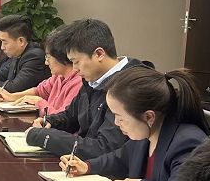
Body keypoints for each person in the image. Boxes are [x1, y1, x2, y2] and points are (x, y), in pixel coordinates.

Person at [59, 67, 209, 181]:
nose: (116, 123)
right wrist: (87, 166)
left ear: (149, 116)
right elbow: (119, 158)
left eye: (120, 117)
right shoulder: (147, 132)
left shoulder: (188, 144)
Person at [24, 18, 142, 159]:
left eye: (76, 62)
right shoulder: (92, 80)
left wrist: (46, 137)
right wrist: (51, 121)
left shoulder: (129, 87)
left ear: (99, 54)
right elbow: (71, 116)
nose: (74, 69)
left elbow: (104, 148)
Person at [0, 26, 81, 117]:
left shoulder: (78, 82)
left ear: (61, 57)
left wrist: (38, 102)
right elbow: (39, 90)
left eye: (48, 57)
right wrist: (12, 97)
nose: (46, 62)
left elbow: (62, 117)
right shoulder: (58, 77)